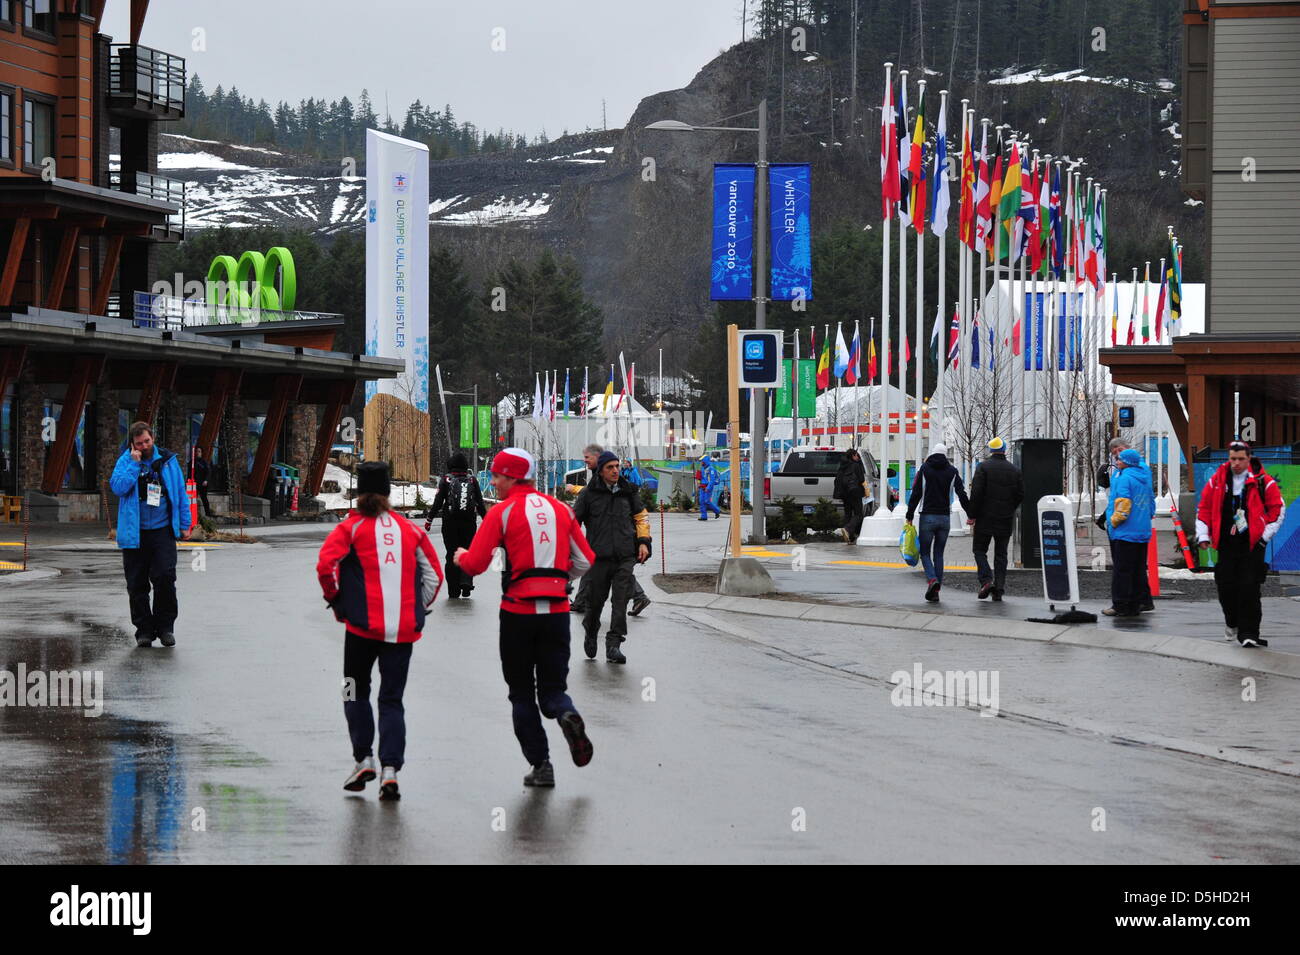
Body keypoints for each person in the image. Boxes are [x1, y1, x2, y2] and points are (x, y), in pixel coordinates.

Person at [453, 447, 596, 788]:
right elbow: (586, 560)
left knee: (520, 693)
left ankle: (541, 765)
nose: (494, 482)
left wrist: (460, 558)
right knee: (553, 689)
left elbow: (476, 564)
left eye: (498, 476)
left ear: (513, 477)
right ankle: (565, 713)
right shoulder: (561, 510)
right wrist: (559, 580)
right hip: (557, 613)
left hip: (518, 612)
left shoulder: (502, 512)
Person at [316, 462, 444, 799]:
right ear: (388, 492)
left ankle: (363, 758)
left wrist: (337, 601)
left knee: (352, 690)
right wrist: (418, 608)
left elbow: (325, 566)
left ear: (359, 493)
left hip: (361, 628)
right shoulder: (410, 530)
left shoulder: (351, 528)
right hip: (402, 631)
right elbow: (434, 576)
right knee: (392, 700)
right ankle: (391, 770)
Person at [109, 422, 193, 648]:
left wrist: (186, 524)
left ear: (152, 438)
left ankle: (165, 627)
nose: (144, 446)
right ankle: (144, 630)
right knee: (136, 584)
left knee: (165, 578)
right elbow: (117, 487)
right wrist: (135, 466)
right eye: (139, 443)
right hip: (134, 534)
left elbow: (180, 494)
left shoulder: (168, 461)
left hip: (162, 531)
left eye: (147, 441)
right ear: (133, 445)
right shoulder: (126, 461)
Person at [1195, 441, 1284, 646]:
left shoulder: (1264, 482)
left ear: (1249, 459)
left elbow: (1277, 511)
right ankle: (1232, 622)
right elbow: (1204, 509)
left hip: (1252, 546)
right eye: (1232, 458)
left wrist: (1264, 538)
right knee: (1225, 587)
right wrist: (1203, 536)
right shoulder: (1216, 481)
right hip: (1226, 543)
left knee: (1249, 589)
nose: (1236, 463)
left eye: (1241, 459)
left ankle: (1249, 634)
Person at [573, 451, 652, 663]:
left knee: (620, 602)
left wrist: (643, 542)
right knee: (595, 603)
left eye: (617, 466)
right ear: (601, 470)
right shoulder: (589, 494)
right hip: (598, 558)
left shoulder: (628, 491)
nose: (615, 470)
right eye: (610, 467)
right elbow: (573, 523)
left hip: (625, 557)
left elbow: (641, 517)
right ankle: (590, 631)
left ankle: (614, 644)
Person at [905, 443, 970, 602]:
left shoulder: (924, 469)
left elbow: (916, 493)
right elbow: (961, 494)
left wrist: (910, 514)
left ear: (932, 454)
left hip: (927, 516)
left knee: (925, 553)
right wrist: (971, 513)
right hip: (944, 518)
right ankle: (936, 591)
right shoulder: (952, 471)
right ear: (945, 454)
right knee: (939, 554)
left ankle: (932, 580)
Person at [967, 436, 1024, 601]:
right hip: (1005, 518)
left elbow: (976, 493)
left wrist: (972, 515)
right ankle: (998, 589)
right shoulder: (1015, 470)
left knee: (979, 550)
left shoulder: (983, 467)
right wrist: (1009, 507)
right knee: (1001, 554)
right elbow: (1020, 494)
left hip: (985, 518)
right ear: (1004, 450)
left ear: (991, 451)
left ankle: (986, 580)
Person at [424, 452, 486, 599]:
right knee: (467, 552)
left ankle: (453, 590)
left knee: (451, 555)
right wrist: (487, 521)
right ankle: (465, 583)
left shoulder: (446, 480)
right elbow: (480, 503)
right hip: (469, 523)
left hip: (450, 523)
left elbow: (438, 501)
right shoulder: (472, 480)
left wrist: (429, 519)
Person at [1103, 448, 1156, 618]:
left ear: (1127, 461)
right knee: (1138, 569)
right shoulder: (1144, 477)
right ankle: (1134, 605)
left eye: (1119, 459)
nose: (1117, 461)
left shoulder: (1125, 478)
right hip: (1142, 531)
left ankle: (1120, 605)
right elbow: (1151, 504)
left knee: (1121, 571)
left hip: (1125, 532)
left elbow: (1123, 505)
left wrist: (1112, 521)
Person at [834, 448, 868, 543]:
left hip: (844, 493)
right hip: (854, 492)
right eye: (857, 455)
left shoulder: (842, 465)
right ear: (853, 456)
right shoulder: (856, 465)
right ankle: (848, 529)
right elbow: (861, 479)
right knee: (858, 514)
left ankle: (849, 537)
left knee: (848, 514)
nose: (858, 457)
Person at [697, 454, 722, 520]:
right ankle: (704, 516)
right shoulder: (702, 468)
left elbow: (712, 480)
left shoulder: (711, 469)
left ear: (705, 461)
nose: (701, 462)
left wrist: (708, 488)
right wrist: (699, 482)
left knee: (706, 501)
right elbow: (701, 478)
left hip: (708, 487)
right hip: (702, 487)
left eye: (702, 461)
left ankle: (717, 511)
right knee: (702, 501)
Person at [192, 451, 213, 519]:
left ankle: (208, 513)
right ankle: (193, 514)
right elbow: (190, 472)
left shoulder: (204, 462)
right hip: (194, 483)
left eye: (199, 452)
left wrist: (206, 480)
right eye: (196, 452)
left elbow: (208, 472)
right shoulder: (192, 462)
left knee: (204, 498)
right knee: (192, 499)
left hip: (202, 483)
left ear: (201, 453)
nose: (197, 453)